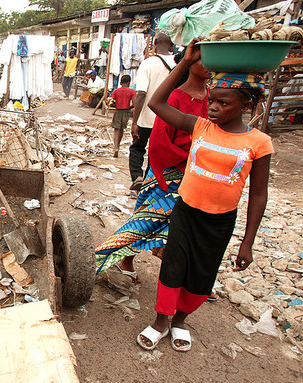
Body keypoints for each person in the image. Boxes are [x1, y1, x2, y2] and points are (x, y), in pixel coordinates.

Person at [137, 40, 273, 352]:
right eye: (212, 101)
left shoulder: (259, 143)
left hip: (220, 221)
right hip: (186, 210)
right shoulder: (200, 126)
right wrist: (184, 63)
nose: (212, 107)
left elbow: (258, 195)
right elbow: (157, 104)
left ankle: (181, 321)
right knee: (173, 266)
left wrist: (248, 241)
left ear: (246, 107)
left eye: (222, 104)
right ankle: (161, 320)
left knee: (202, 273)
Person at [95, 52, 209, 284]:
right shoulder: (176, 97)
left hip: (199, 174)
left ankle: (185, 277)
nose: (208, 66)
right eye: (202, 59)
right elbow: (159, 143)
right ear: (189, 63)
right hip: (169, 172)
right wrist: (184, 165)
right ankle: (106, 259)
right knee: (146, 223)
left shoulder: (213, 98)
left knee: (184, 228)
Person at [130, 32, 175, 190]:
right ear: (171, 45)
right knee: (154, 153)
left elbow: (141, 94)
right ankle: (148, 183)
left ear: (154, 44)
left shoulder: (147, 64)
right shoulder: (179, 64)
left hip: (146, 118)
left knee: (137, 148)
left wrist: (135, 121)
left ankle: (137, 177)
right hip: (168, 118)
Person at [108, 74, 137, 157]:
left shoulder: (116, 91)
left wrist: (116, 104)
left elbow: (110, 102)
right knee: (122, 129)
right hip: (126, 111)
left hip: (118, 111)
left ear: (120, 82)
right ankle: (118, 146)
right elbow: (135, 104)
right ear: (129, 82)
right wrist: (130, 107)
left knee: (116, 129)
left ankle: (116, 147)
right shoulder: (132, 91)